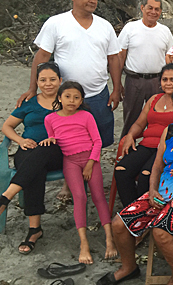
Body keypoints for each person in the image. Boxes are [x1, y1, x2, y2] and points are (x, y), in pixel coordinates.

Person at [97, 84, 173, 285]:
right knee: (119, 225)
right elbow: (157, 166)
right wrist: (153, 189)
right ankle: (129, 267)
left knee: (161, 232)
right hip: (165, 191)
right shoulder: (170, 131)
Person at [16, 0, 121, 148]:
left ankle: (92, 167)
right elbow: (42, 56)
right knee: (67, 136)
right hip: (65, 95)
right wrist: (32, 88)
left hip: (98, 93)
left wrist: (117, 88)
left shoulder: (105, 26)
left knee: (99, 137)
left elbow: (113, 58)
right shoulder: (56, 23)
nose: (92, 0)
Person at [40, 81, 116, 264]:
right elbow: (54, 141)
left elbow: (97, 141)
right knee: (80, 197)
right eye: (67, 97)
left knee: (98, 196)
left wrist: (91, 163)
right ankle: (84, 243)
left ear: (82, 100)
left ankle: (109, 239)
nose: (72, 101)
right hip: (70, 161)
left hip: (91, 159)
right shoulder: (50, 119)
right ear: (59, 98)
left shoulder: (86, 116)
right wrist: (48, 141)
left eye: (76, 97)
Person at [0, 62, 64, 254]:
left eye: (53, 79)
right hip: (28, 149)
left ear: (60, 80)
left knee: (44, 149)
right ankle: (34, 230)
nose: (48, 84)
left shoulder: (66, 101)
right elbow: (7, 126)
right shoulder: (29, 104)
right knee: (34, 166)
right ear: (36, 82)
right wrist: (20, 140)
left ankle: (5, 197)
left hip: (57, 151)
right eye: (43, 80)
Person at [114, 64, 173, 208]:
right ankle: (133, 210)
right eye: (165, 79)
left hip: (167, 148)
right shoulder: (154, 99)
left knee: (146, 175)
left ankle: (145, 212)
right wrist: (130, 136)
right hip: (146, 145)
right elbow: (139, 124)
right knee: (121, 170)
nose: (168, 83)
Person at [118, 0, 173, 138]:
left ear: (161, 12)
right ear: (142, 8)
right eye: (150, 8)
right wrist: (117, 83)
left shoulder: (165, 31)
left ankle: (153, 149)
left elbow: (171, 57)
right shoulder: (130, 28)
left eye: (157, 9)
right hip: (134, 80)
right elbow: (120, 56)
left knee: (157, 117)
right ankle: (125, 151)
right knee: (131, 116)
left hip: (157, 81)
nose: (153, 12)